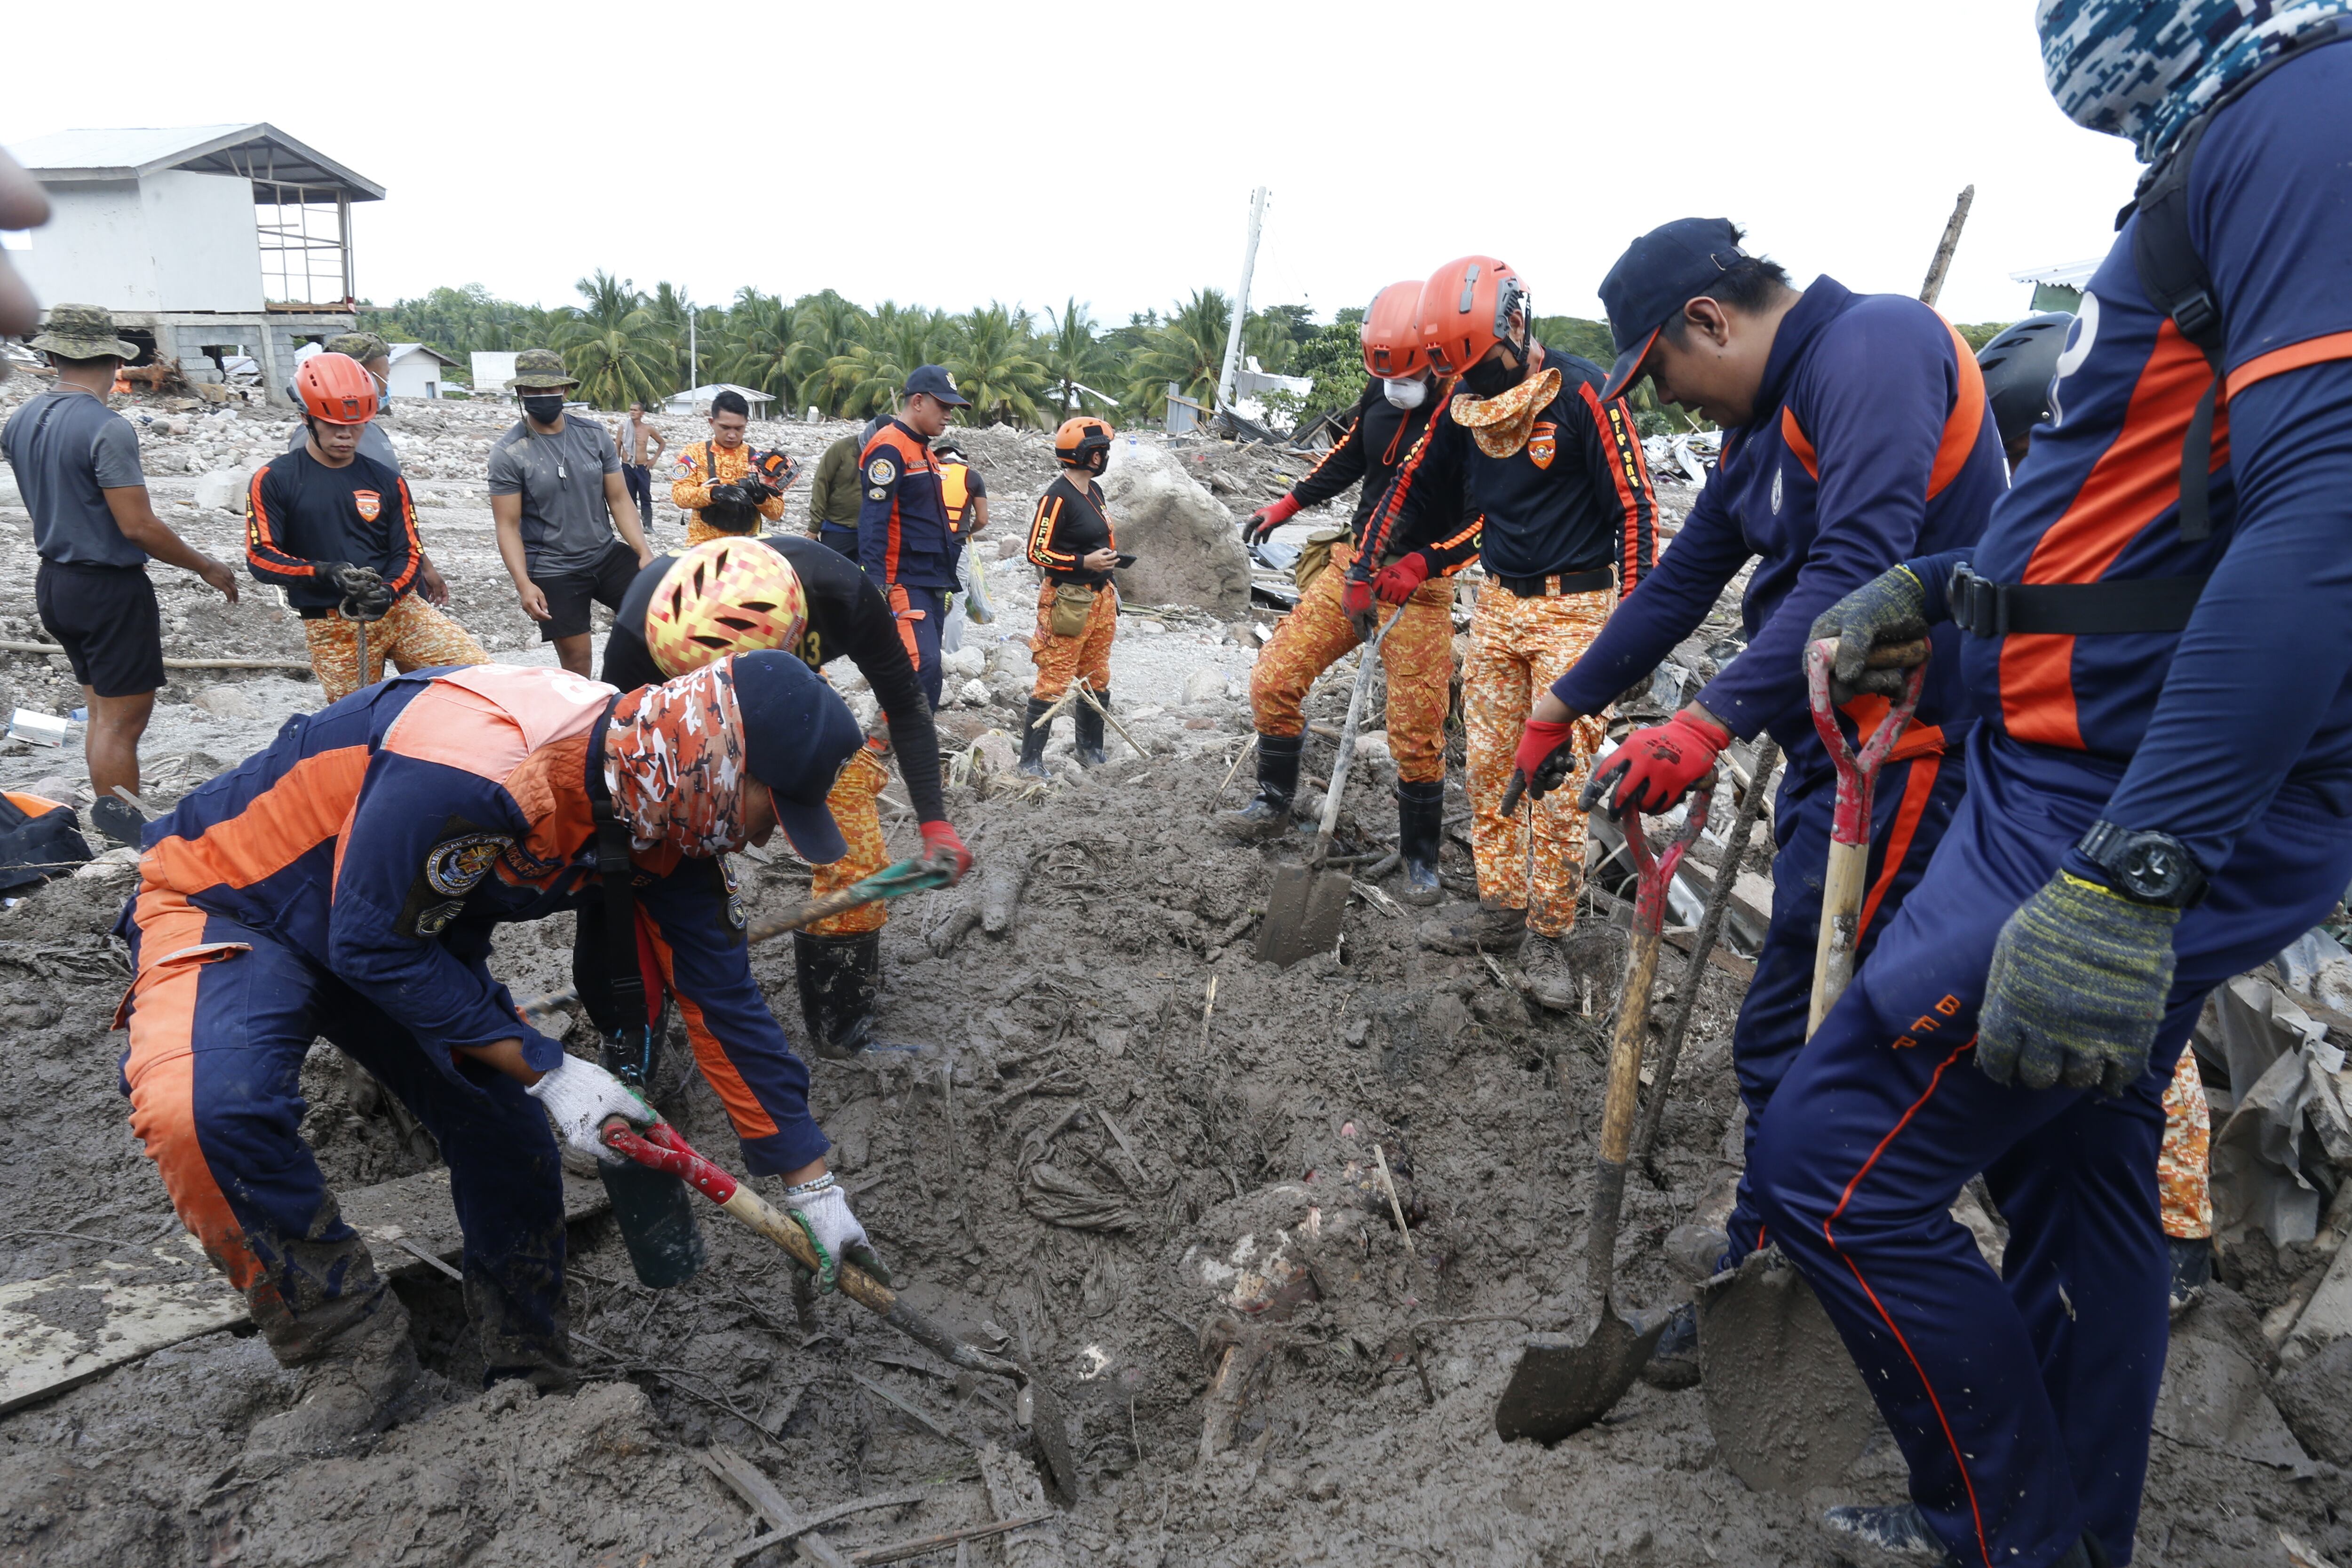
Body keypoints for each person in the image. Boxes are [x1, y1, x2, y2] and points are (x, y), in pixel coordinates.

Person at [1746, 13, 2352, 1568]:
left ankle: (2003, 1537)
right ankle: (2062, 1530)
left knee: (1830, 1167)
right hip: (2073, 768)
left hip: (2112, 800)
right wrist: (1947, 590)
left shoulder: (2307, 114)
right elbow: (2156, 518)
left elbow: (2332, 505)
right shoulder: (2233, 130)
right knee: (2074, 1162)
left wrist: (2132, 877)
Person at [118, 652, 881, 1464]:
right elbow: (368, 943)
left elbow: (725, 1005)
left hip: (401, 932)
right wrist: (551, 1069)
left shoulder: (663, 801)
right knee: (204, 1112)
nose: (765, 835)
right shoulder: (483, 768)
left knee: (507, 1136)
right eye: (771, 807)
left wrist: (814, 1187)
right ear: (721, 761)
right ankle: (351, 1354)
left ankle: (528, 1368)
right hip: (239, 899)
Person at [1521, 219, 2007, 1380]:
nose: (1669, 401)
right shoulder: (1760, 433)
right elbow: (1684, 580)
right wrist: (1566, 698)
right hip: (1839, 750)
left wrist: (1705, 723)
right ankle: (1774, 1245)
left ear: (1708, 320)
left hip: (1912, 748)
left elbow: (1859, 567)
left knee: (1813, 1027)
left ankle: (1789, 1265)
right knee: (1792, 1022)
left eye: (1662, 372)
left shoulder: (1875, 349)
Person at [1378, 257, 1656, 1003]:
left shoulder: (1585, 392)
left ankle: (1550, 934)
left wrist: (1638, 629)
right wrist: (1379, 557)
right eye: (1460, 371)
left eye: (1480, 364)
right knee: (1490, 765)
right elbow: (1415, 481)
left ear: (1515, 323)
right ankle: (1500, 906)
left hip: (1577, 611)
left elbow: (1635, 506)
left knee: (1557, 785)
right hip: (1498, 604)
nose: (1475, 381)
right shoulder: (1463, 404)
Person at [603, 530, 971, 1057]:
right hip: (687, 734)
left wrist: (934, 822)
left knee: (854, 847)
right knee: (652, 863)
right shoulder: (646, 631)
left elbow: (906, 704)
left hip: (796, 712)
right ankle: (633, 1034)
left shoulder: (840, 594)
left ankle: (841, 1027)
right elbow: (616, 778)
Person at [1220, 281, 1480, 904]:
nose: (1394, 386)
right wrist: (1287, 504)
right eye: (1384, 375)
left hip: (1421, 589)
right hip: (1354, 568)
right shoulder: (1380, 391)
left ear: (1437, 358)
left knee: (1416, 733)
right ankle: (1274, 802)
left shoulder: (1469, 413)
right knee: (1274, 678)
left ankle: (1420, 859)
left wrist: (1422, 563)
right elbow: (1347, 456)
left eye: (1407, 375)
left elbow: (1485, 521)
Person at [0, 303, 240, 846]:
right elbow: (138, 527)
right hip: (106, 588)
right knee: (121, 723)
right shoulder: (107, 428)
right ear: (114, 362)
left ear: (54, 357)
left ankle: (114, 823)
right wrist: (205, 565)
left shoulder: (20, 420)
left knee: (99, 712)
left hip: (55, 581)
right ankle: (126, 838)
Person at [248, 353, 490, 700]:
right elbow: (261, 557)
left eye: (356, 425)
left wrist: (389, 592)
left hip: (402, 611)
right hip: (332, 622)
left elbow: (408, 552)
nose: (345, 435)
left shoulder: (388, 481)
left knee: (481, 679)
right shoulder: (274, 480)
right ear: (306, 418)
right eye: (332, 425)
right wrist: (326, 572)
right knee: (356, 715)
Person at [488, 349, 653, 677]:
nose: (542, 397)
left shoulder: (593, 435)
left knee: (656, 619)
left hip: (605, 554)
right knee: (577, 662)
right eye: (532, 390)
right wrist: (524, 584)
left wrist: (643, 552)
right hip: (553, 568)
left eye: (549, 389)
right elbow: (507, 526)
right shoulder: (509, 453)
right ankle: (585, 709)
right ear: (520, 393)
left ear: (564, 390)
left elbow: (620, 500)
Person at [282, 332, 454, 607]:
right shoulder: (316, 441)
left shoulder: (372, 432)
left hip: (396, 577)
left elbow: (395, 516)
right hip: (360, 589)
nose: (386, 384)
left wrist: (423, 565)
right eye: (384, 375)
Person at [858, 366, 969, 708]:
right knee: (919, 667)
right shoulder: (890, 448)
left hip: (930, 578)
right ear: (918, 402)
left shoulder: (923, 450)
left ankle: (917, 738)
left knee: (930, 673)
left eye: (952, 408)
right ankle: (887, 740)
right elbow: (874, 519)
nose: (949, 416)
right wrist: (875, 582)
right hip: (904, 579)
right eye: (943, 406)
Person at [1017, 417, 1121, 776]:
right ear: (1089, 455)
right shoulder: (1057, 497)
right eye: (1102, 450)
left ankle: (1091, 750)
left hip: (1101, 596)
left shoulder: (1095, 491)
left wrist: (1108, 572)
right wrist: (1083, 562)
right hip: (1068, 600)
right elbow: (1036, 552)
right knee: (1055, 677)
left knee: (1097, 675)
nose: (1105, 456)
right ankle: (1030, 762)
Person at [670, 390, 790, 545]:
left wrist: (761, 498)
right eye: (725, 428)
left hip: (746, 547)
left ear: (747, 424)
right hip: (702, 546)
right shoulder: (694, 454)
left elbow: (777, 513)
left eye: (738, 429)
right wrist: (713, 493)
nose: (732, 435)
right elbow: (679, 496)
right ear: (712, 422)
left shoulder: (760, 461)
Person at [930, 433, 992, 653]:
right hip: (957, 544)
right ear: (961, 457)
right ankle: (952, 654)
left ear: (937, 455)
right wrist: (968, 532)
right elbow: (983, 519)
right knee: (957, 601)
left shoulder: (927, 472)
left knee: (927, 597)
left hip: (925, 546)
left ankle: (928, 650)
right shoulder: (972, 477)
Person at [805, 426, 870, 556]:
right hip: (838, 527)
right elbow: (821, 485)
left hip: (872, 531)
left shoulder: (889, 452)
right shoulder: (842, 449)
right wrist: (814, 527)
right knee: (831, 566)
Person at [613, 400, 667, 537]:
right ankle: (631, 526)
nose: (632, 412)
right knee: (629, 498)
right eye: (631, 410)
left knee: (645, 497)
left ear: (642, 413)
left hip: (643, 468)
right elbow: (618, 446)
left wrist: (654, 460)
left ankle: (648, 526)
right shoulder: (624, 428)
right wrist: (616, 465)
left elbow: (662, 443)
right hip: (627, 467)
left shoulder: (648, 429)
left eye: (636, 410)